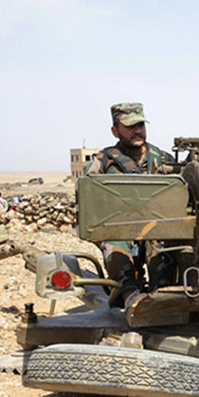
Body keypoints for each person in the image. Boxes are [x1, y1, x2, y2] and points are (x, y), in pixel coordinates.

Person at [84, 102, 175, 303]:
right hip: (118, 228)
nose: (137, 131)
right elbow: (87, 198)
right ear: (115, 131)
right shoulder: (104, 161)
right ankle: (129, 297)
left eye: (140, 125)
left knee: (163, 246)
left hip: (156, 227)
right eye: (130, 126)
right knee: (115, 244)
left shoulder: (164, 159)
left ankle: (162, 297)